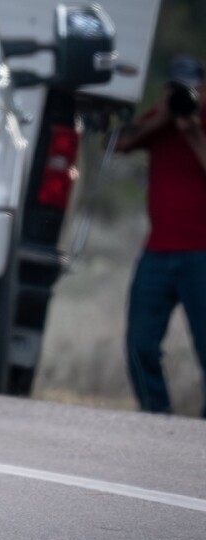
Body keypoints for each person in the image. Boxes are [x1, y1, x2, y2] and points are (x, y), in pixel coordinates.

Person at [116, 55, 206, 417]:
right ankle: (155, 414)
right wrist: (160, 118)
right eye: (175, 86)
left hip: (201, 253)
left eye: (191, 85)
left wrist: (192, 129)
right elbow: (118, 143)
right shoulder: (161, 118)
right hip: (157, 251)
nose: (183, 93)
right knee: (140, 343)